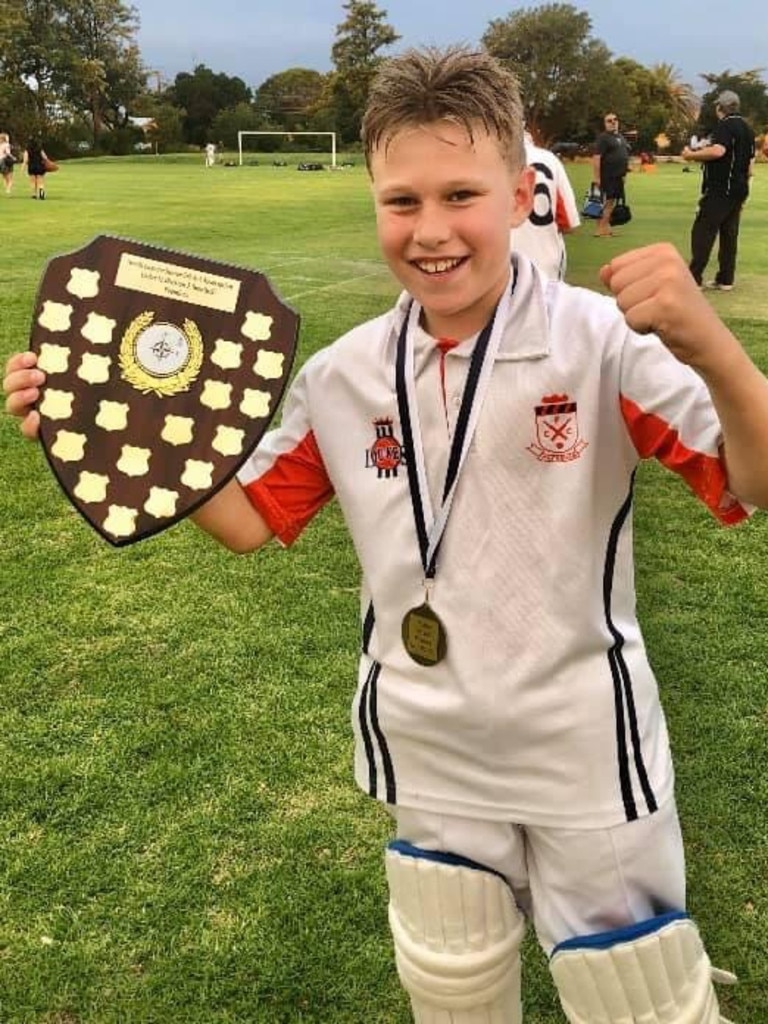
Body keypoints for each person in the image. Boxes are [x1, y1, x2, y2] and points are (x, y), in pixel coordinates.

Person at [6, 46, 768, 1024]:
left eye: (462, 194)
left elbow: (751, 479)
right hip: (426, 743)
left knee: (643, 1003)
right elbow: (246, 521)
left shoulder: (598, 345)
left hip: (583, 750)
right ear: (373, 198)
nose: (433, 229)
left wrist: (710, 345)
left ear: (517, 193)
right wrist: (103, 424)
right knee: (451, 992)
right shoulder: (342, 375)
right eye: (401, 201)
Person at [682, 90, 755, 291]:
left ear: (720, 108)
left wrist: (690, 156)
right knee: (729, 235)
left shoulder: (725, 126)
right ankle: (725, 279)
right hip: (739, 189)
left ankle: (694, 278)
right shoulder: (748, 129)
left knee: (703, 231)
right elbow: (750, 165)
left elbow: (718, 151)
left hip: (721, 189)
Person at [509, 129, 580, 280]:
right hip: (544, 266)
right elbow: (568, 224)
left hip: (493, 270)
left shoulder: (481, 158)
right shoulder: (549, 159)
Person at [591, 111, 630, 237]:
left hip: (619, 176)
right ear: (605, 124)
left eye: (615, 119)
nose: (613, 122)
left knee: (611, 202)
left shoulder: (620, 137)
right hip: (608, 175)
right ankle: (600, 230)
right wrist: (597, 177)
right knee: (606, 202)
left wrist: (625, 173)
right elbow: (597, 157)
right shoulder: (604, 138)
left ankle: (606, 228)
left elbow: (623, 155)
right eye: (609, 120)